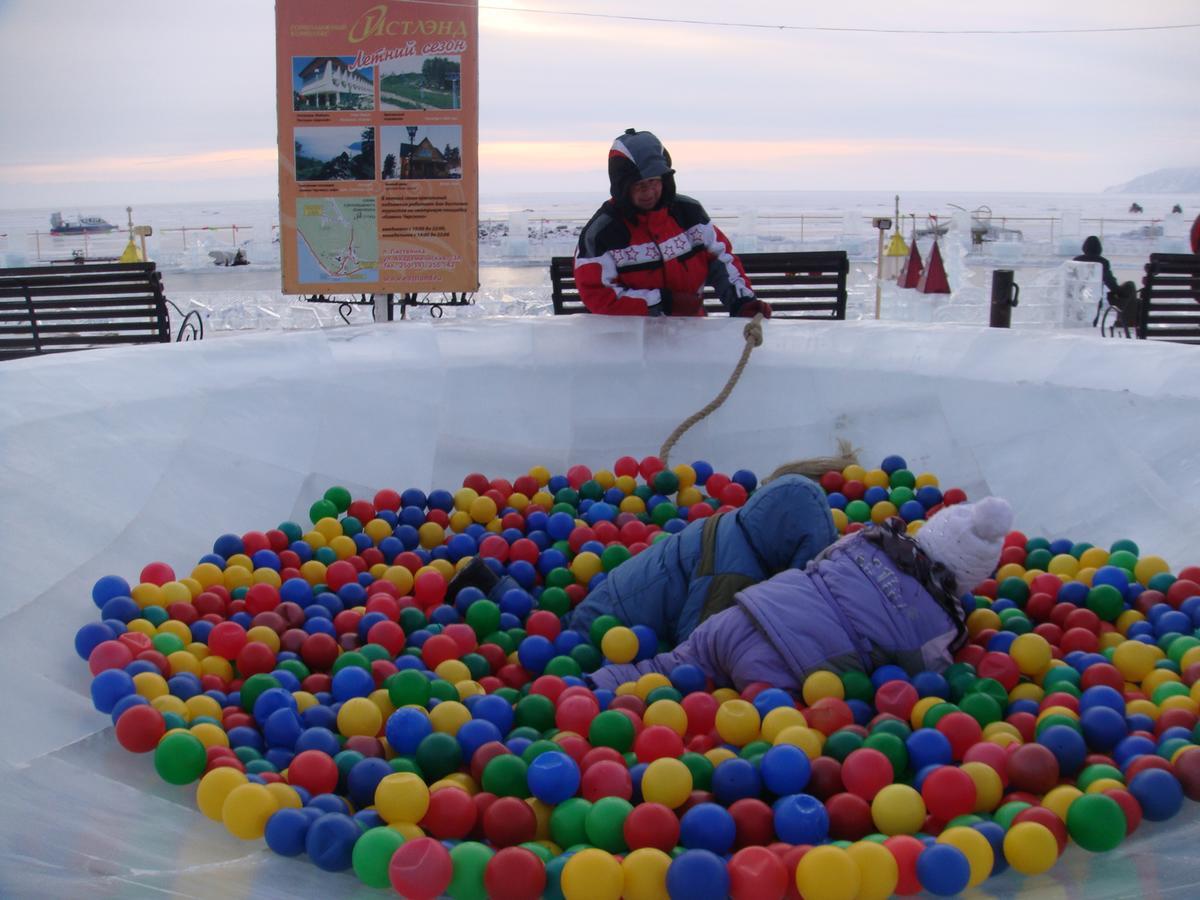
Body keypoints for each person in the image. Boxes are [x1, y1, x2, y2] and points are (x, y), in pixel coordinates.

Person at [588, 496, 1013, 694]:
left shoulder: (865, 541)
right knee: (738, 731)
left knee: (669, 667)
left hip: (748, 613)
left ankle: (589, 691)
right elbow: (927, 672)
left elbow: (816, 562)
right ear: (968, 580)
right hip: (787, 666)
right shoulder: (938, 627)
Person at [447, 472, 839, 645]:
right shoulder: (733, 573)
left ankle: (493, 585)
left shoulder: (732, 525)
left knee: (554, 624)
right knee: (560, 641)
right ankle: (489, 590)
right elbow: (699, 641)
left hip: (619, 591)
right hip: (619, 624)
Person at [573, 128, 771, 318]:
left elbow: (721, 259)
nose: (649, 192)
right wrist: (663, 303)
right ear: (622, 186)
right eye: (639, 185)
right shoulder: (601, 234)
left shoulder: (689, 214)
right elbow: (598, 295)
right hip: (629, 345)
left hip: (690, 334)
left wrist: (742, 302)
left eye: (653, 182)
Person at [1075, 236, 1121, 328]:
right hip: (1094, 296)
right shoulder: (1103, 262)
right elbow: (1108, 279)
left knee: (1078, 317)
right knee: (1093, 316)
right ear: (1099, 248)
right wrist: (1117, 290)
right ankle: (1092, 327)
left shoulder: (1076, 260)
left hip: (1078, 295)